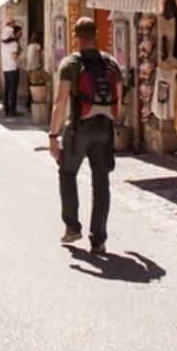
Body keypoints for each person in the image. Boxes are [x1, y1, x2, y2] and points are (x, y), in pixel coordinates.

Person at [48, 17, 123, 254]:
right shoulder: (111, 63)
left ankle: (72, 228)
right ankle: (98, 239)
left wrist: (53, 135)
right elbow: (118, 102)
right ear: (97, 34)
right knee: (101, 182)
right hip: (104, 130)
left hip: (78, 129)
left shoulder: (71, 63)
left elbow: (60, 102)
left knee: (67, 173)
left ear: (76, 36)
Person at [0, 22, 22, 116]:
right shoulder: (13, 43)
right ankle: (13, 111)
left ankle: (6, 110)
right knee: (13, 91)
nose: (20, 35)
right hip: (13, 68)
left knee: (6, 90)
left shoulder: (4, 44)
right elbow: (14, 57)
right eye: (19, 33)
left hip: (5, 68)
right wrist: (19, 52)